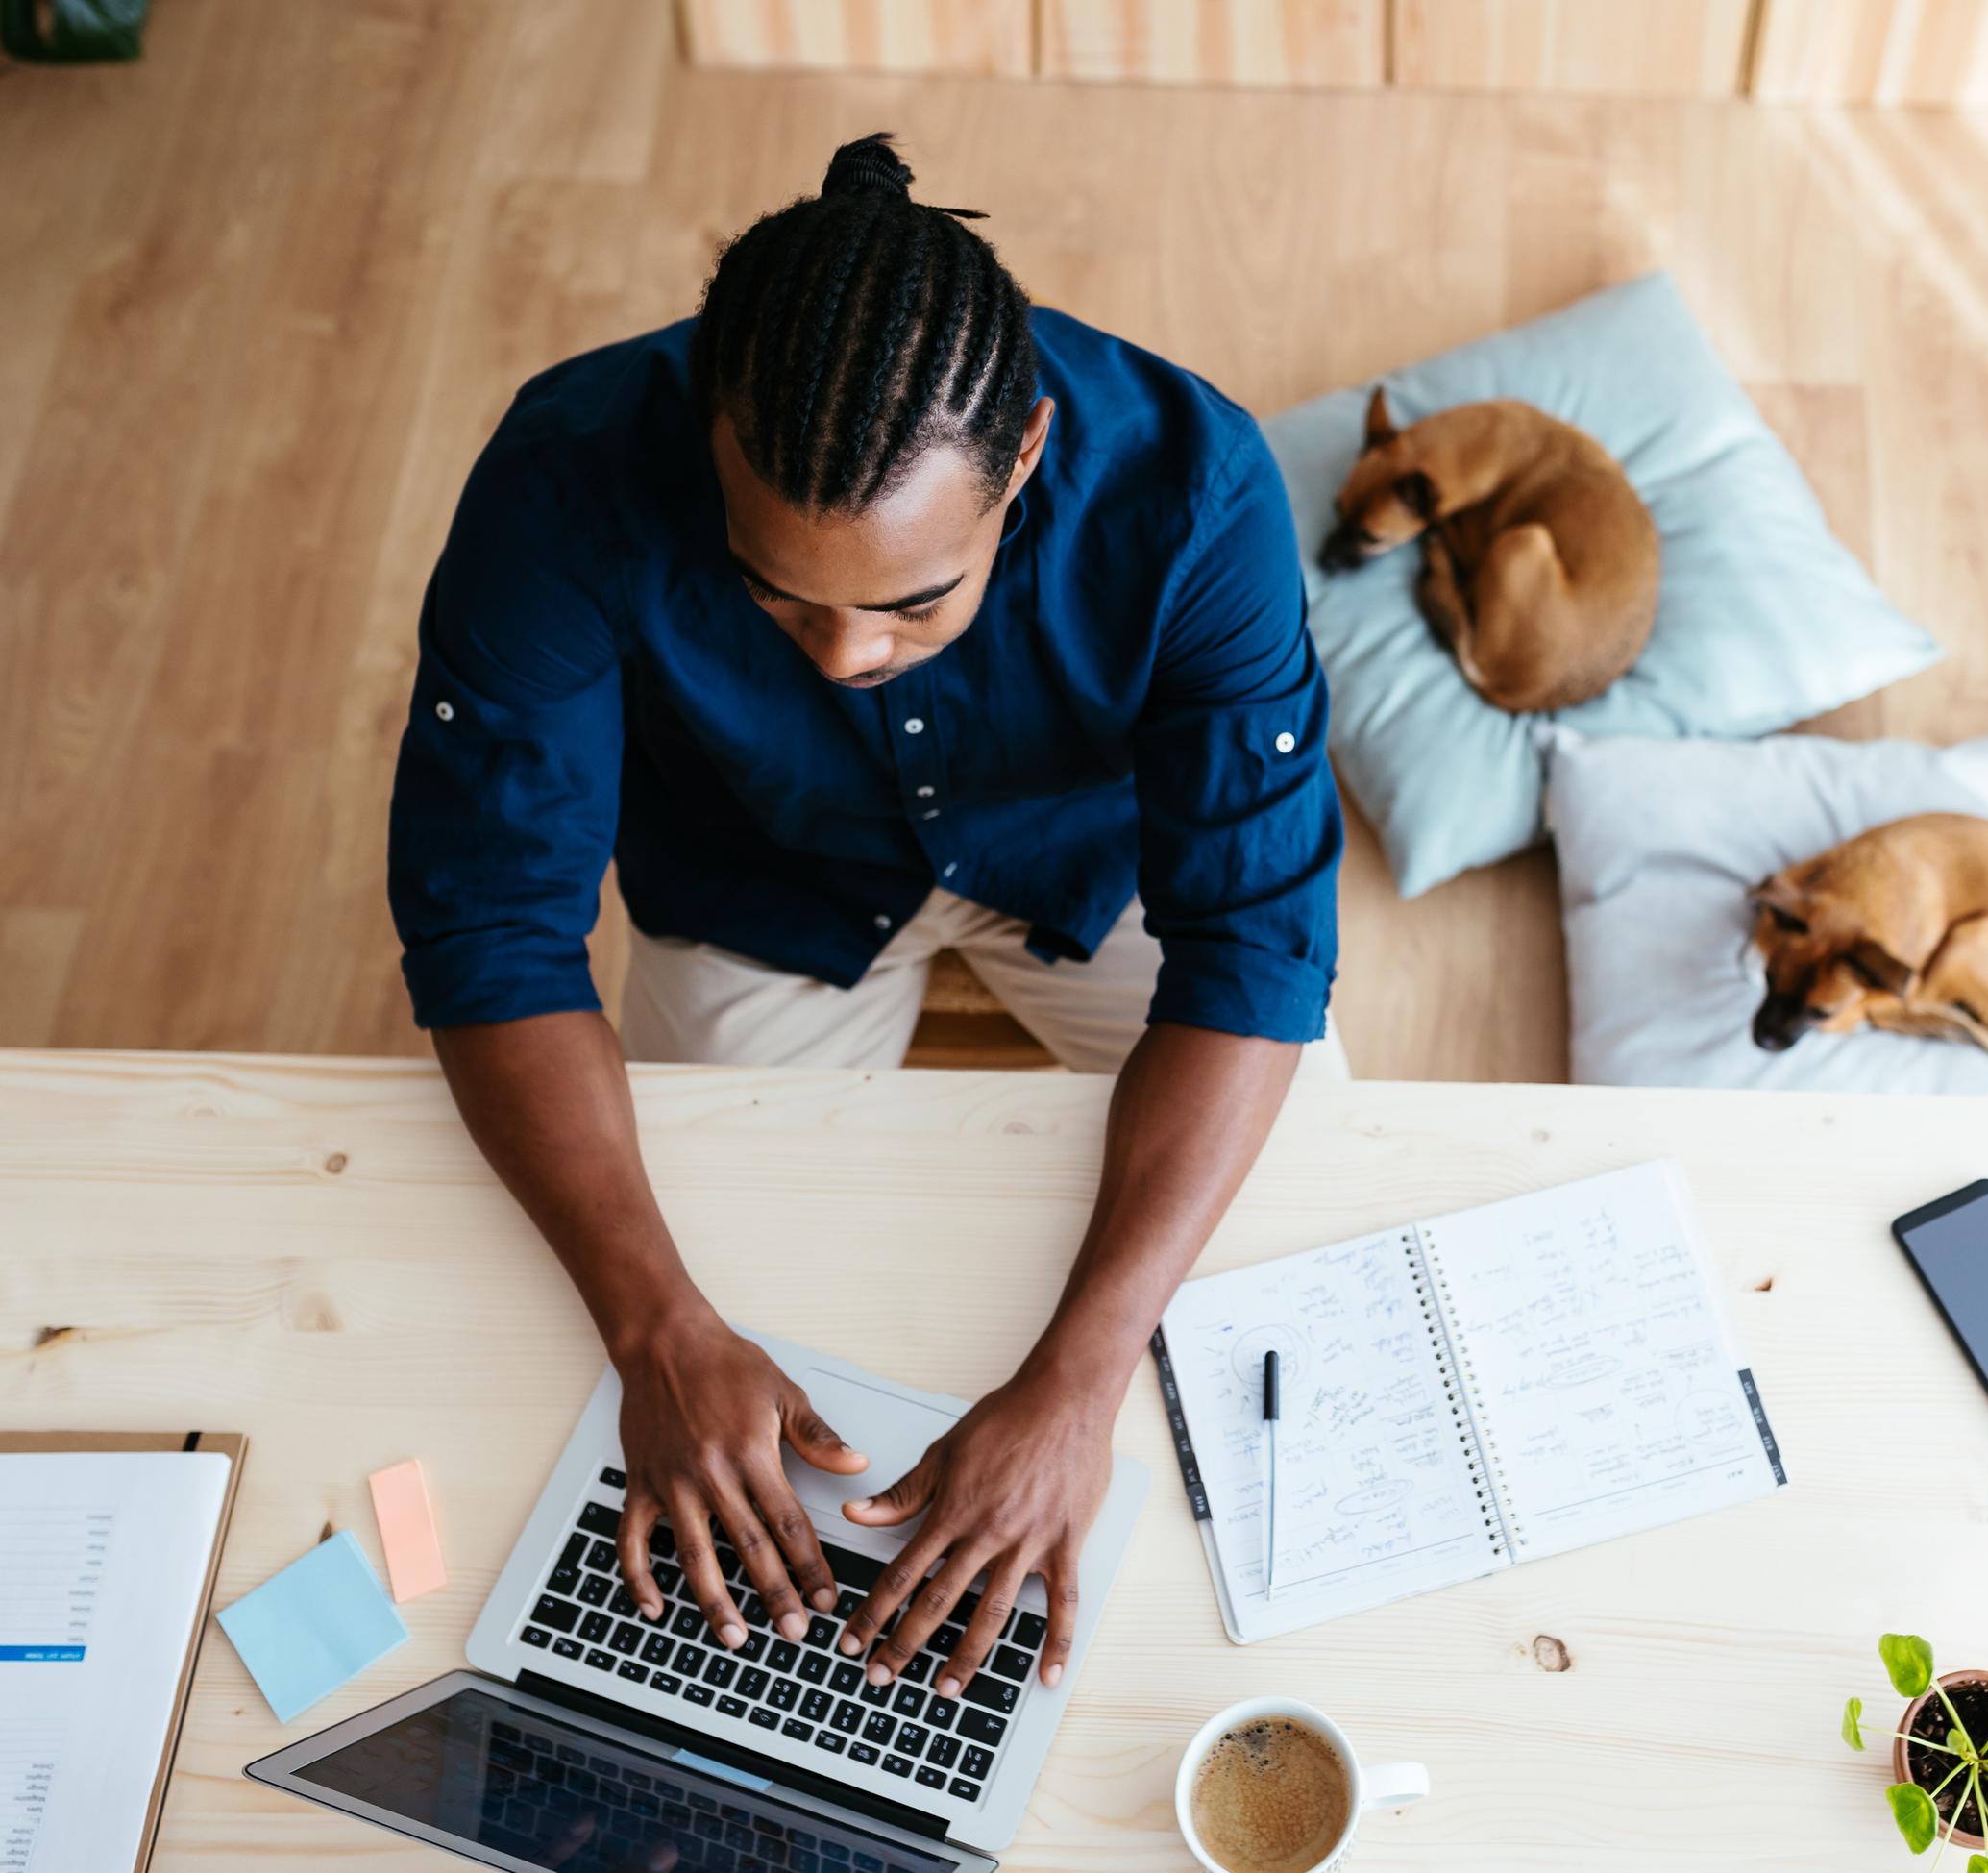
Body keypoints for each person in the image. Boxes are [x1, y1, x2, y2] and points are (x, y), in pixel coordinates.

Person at [388, 134, 1340, 1713]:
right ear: (709, 443)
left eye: (914, 601)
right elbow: (491, 931)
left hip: (1091, 872)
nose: (841, 656)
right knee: (689, 1278)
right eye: (777, 594)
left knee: (1308, 1206)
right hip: (764, 881)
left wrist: (1075, 1381)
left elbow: (1254, 953)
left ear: (1024, 454)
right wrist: (653, 1329)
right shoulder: (563, 475)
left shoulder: (1197, 491)